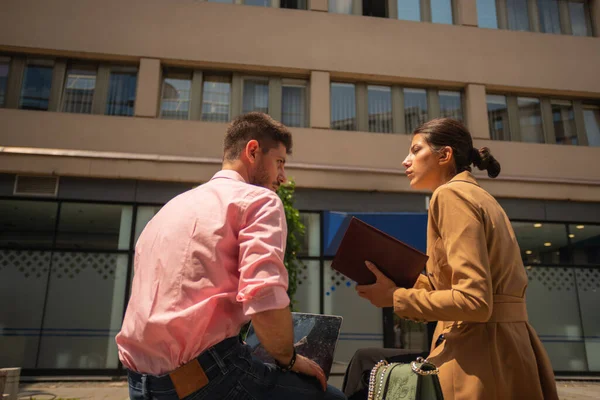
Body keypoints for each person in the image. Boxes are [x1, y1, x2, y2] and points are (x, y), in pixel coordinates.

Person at [116, 112, 346, 400]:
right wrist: (289, 359)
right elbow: (263, 296)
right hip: (212, 379)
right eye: (280, 163)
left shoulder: (170, 209)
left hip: (142, 386)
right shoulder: (259, 200)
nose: (283, 178)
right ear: (252, 151)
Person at [346, 118, 558, 400]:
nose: (405, 161)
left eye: (415, 150)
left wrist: (396, 296)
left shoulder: (450, 196)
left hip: (478, 356)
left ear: (445, 155)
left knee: (364, 366)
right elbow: (469, 292)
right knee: (366, 359)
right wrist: (402, 283)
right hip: (505, 351)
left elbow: (474, 301)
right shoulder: (481, 197)